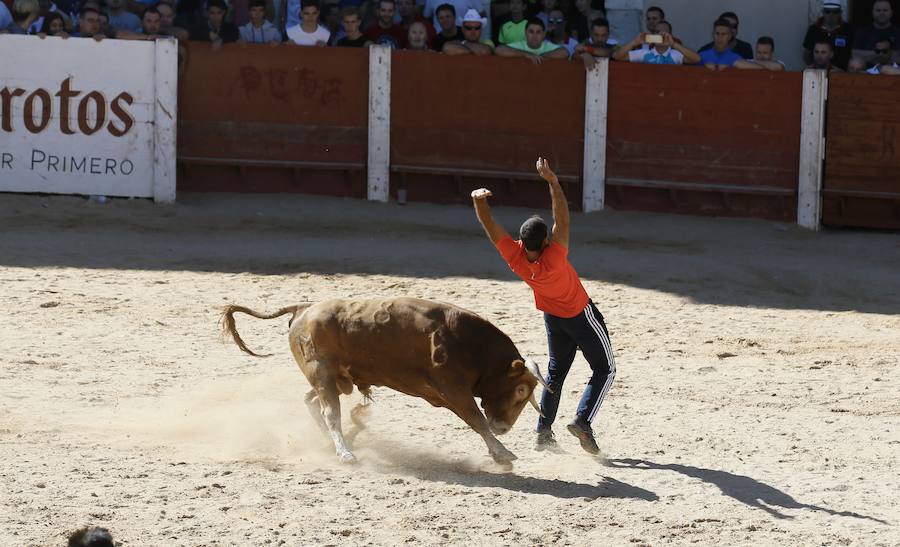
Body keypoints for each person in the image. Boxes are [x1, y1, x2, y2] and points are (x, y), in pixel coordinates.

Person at [471, 157, 615, 455]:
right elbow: (562, 218)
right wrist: (553, 182)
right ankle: (583, 420)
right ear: (546, 241)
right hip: (579, 315)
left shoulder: (515, 259)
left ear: (522, 243)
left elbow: (491, 227)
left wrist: (479, 202)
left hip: (553, 319)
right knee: (605, 370)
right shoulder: (556, 256)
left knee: (555, 374)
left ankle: (544, 432)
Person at [612, 21, 698, 64]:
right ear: (653, 34)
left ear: (670, 35)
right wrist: (634, 42)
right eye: (657, 32)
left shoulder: (675, 55)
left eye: (664, 33)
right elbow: (617, 56)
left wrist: (673, 44)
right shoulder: (644, 53)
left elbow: (697, 59)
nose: (660, 35)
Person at [803, 1, 853, 71]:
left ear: (840, 13)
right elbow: (807, 53)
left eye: (835, 12)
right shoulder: (813, 29)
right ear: (822, 12)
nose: (831, 15)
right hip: (817, 72)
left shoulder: (848, 29)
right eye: (827, 11)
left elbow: (852, 54)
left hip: (842, 72)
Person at [495, 17, 567, 62]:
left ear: (543, 34)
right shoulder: (520, 44)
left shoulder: (547, 45)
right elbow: (499, 49)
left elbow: (565, 52)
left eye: (538, 32)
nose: (534, 36)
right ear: (525, 33)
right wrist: (526, 55)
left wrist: (539, 57)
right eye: (531, 31)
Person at [852, 0, 900, 65]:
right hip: (866, 71)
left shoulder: (898, 33)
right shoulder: (862, 32)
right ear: (872, 12)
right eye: (878, 10)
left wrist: (870, 55)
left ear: (891, 13)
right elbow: (855, 54)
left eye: (885, 10)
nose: (881, 13)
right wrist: (878, 53)